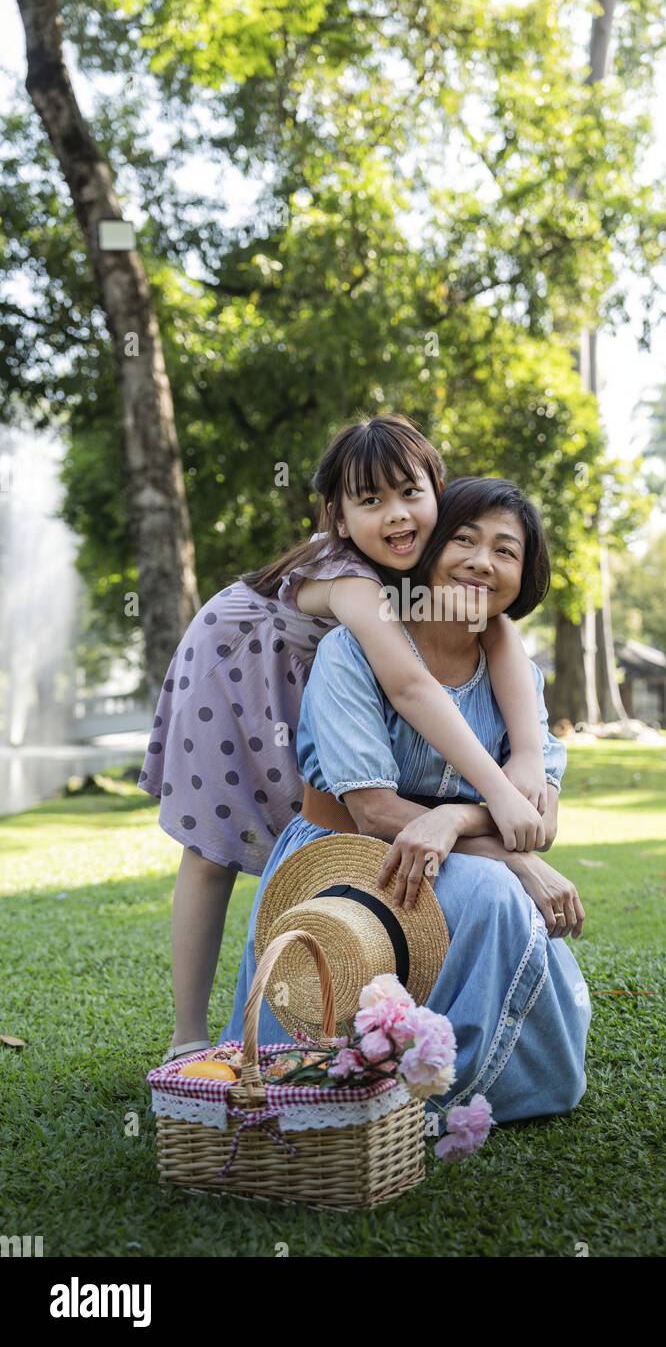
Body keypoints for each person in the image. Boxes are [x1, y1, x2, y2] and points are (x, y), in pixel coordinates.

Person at [139, 415, 556, 1062]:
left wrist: (529, 752)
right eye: (371, 501)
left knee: (318, 808)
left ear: (438, 492)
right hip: (234, 665)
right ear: (337, 517)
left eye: (409, 494)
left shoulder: (421, 565)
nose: (396, 515)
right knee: (212, 849)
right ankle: (188, 1035)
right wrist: (501, 790)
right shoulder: (356, 581)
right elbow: (410, 688)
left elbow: (496, 630)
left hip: (310, 675)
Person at [219, 478, 591, 1125]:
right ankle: (421, 1097)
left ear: (523, 574)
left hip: (452, 856)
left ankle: (473, 1082)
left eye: (506, 551)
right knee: (498, 891)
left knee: (489, 887)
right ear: (428, 550)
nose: (482, 561)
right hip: (345, 856)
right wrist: (515, 862)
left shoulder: (515, 676)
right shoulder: (352, 652)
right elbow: (374, 812)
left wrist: (454, 819)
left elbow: (538, 819)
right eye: (464, 540)